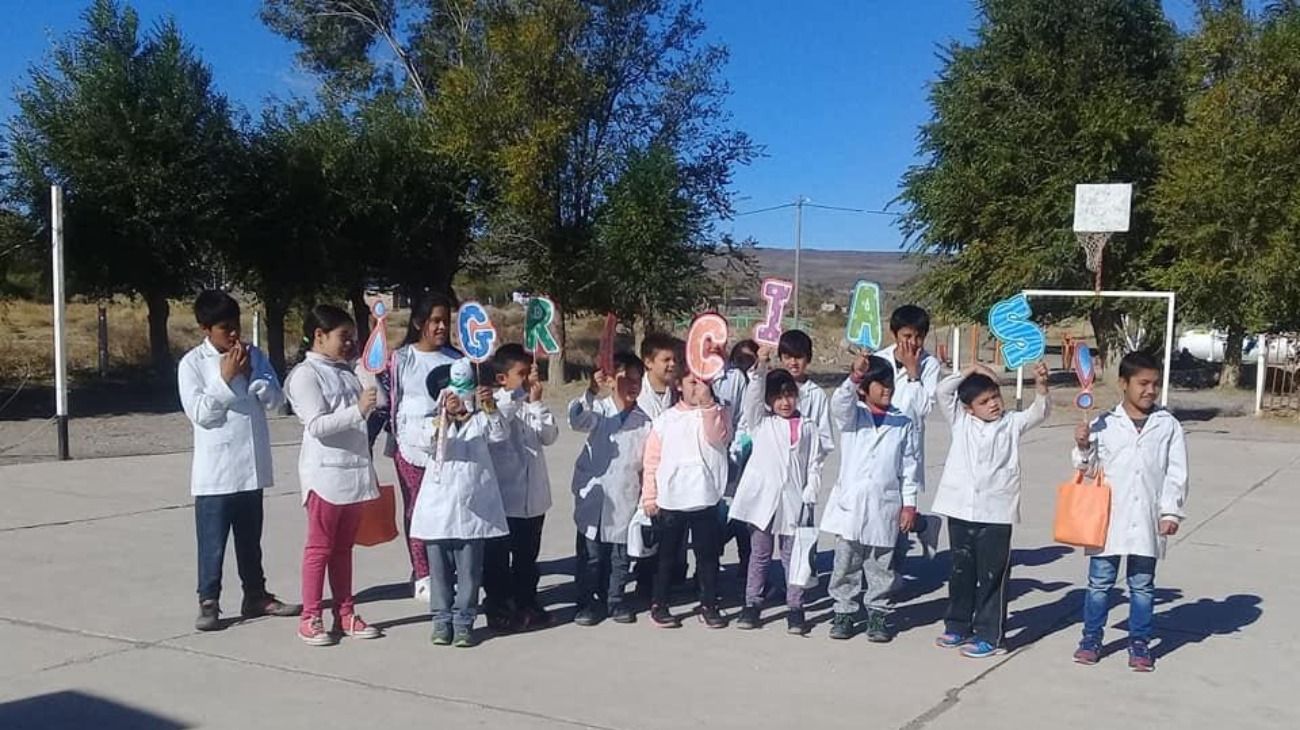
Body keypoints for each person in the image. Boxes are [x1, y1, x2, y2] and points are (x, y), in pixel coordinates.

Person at [178, 290, 299, 631]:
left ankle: (256, 594)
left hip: (251, 467)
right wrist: (226, 378)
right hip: (215, 473)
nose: (233, 334)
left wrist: (258, 384)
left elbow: (277, 401)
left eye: (236, 326)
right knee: (213, 542)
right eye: (224, 328)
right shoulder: (191, 364)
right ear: (206, 328)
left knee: (250, 539)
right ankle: (209, 600)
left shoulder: (255, 355)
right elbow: (201, 414)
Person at [1070, 351, 1188, 672]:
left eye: (1155, 384)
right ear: (1124, 383)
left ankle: (1139, 642)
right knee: (1099, 583)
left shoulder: (1168, 425)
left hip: (1148, 519)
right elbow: (1088, 469)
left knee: (1142, 585)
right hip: (1108, 519)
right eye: (1143, 383)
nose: (1150, 390)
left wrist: (1170, 512)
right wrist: (1083, 446)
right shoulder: (1103, 423)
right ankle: (1091, 638)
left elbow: (1176, 473)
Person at [930, 361, 1051, 659]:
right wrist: (972, 370)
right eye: (984, 402)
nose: (993, 404)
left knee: (992, 575)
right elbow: (943, 391)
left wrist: (1041, 386)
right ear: (969, 408)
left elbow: (1040, 412)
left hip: (996, 514)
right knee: (961, 572)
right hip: (960, 509)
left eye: (995, 397)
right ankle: (958, 625)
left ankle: (990, 635)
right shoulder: (960, 421)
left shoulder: (1011, 423)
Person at [284, 305, 383, 646]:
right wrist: (357, 410)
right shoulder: (305, 375)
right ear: (319, 336)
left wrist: (365, 368)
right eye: (343, 337)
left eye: (353, 338)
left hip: (353, 471)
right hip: (325, 476)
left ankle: (345, 612)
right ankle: (310, 616)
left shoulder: (347, 371)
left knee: (343, 549)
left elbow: (379, 401)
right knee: (320, 548)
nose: (348, 344)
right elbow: (318, 425)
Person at [820, 354, 921, 643]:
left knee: (881, 566)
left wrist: (909, 504)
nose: (887, 388)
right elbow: (838, 403)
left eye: (890, 383)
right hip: (851, 505)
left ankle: (878, 613)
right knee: (846, 564)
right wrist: (853, 376)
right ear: (864, 388)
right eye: (880, 383)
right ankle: (844, 612)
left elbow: (909, 467)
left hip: (885, 505)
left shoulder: (902, 422)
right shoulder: (854, 416)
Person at [409, 359, 510, 648]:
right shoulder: (432, 421)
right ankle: (441, 620)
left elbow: (500, 434)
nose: (458, 400)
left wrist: (489, 406)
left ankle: (464, 620)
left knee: (469, 570)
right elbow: (425, 441)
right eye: (452, 395)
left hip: (474, 508)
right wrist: (446, 417)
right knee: (439, 570)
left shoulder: (482, 419)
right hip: (438, 508)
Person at [728, 347, 824, 635]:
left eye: (789, 395)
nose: (785, 402)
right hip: (763, 501)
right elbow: (752, 399)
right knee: (759, 553)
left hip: (793, 501)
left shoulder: (808, 427)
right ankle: (752, 603)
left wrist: (811, 491)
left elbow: (815, 463)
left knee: (792, 557)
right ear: (770, 400)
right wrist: (762, 366)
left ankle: (795, 607)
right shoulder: (762, 423)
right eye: (778, 397)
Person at [641, 370, 732, 629]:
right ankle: (659, 603)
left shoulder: (717, 412)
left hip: (705, 497)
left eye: (703, 383)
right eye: (692, 383)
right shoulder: (665, 420)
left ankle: (708, 603)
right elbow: (651, 461)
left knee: (707, 556)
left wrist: (708, 405)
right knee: (666, 557)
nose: (697, 388)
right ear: (679, 385)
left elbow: (718, 438)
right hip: (672, 500)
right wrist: (650, 496)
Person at [388, 293, 461, 604]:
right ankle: (422, 574)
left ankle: (447, 569)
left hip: (449, 446)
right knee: (417, 509)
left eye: (446, 320)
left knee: (446, 509)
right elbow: (386, 400)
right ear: (419, 323)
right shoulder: (401, 359)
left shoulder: (457, 359)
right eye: (435, 320)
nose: (442, 326)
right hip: (410, 446)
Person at [569, 353, 653, 625]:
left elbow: (648, 462)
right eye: (626, 378)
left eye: (638, 380)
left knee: (619, 557)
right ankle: (587, 602)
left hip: (625, 497)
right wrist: (592, 391)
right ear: (611, 378)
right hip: (594, 497)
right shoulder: (599, 410)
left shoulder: (645, 421)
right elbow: (577, 420)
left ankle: (614, 600)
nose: (633, 385)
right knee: (591, 556)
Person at [482, 344, 559, 632]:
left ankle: (528, 603)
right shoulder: (496, 402)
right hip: (505, 498)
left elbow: (549, 436)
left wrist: (537, 403)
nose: (528, 379)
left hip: (534, 498)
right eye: (521, 374)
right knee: (497, 561)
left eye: (529, 373)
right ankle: (498, 607)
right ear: (503, 378)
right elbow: (497, 426)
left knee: (528, 559)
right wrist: (519, 396)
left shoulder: (529, 403)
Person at [876, 305, 944, 565]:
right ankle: (924, 527)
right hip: (880, 439)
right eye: (907, 336)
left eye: (918, 337)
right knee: (885, 504)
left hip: (908, 443)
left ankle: (891, 568)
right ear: (895, 334)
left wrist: (913, 373)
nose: (913, 342)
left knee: (901, 503)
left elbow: (923, 408)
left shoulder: (929, 365)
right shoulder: (879, 360)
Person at [713, 340, 759, 597]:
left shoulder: (736, 379)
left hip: (735, 456)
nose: (744, 365)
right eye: (740, 359)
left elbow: (743, 417)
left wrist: (739, 446)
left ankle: (746, 561)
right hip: (703, 459)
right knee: (710, 516)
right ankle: (707, 566)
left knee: (739, 511)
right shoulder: (695, 374)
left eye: (749, 360)